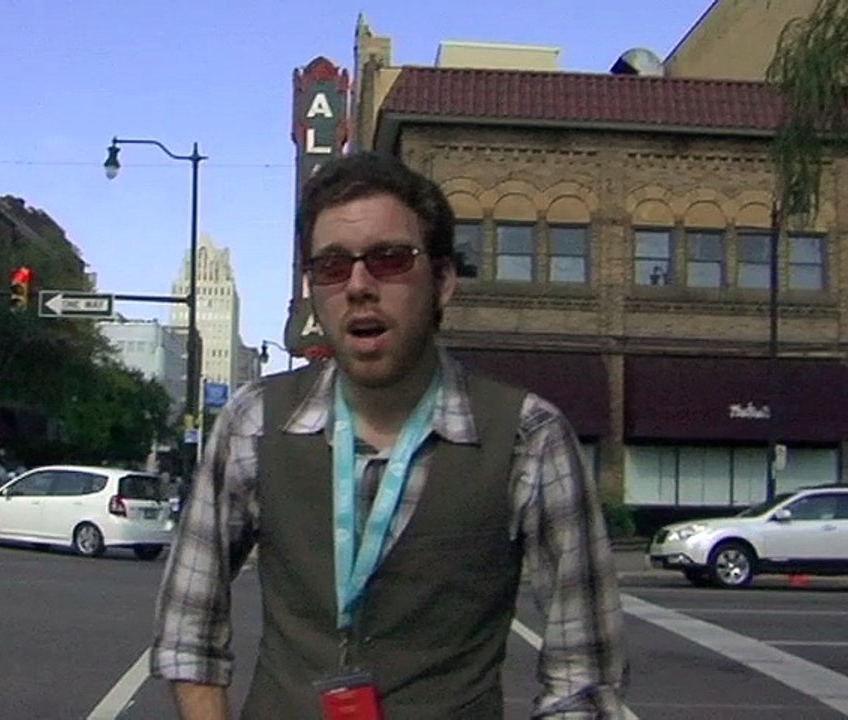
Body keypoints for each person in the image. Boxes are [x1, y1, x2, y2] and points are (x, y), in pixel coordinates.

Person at [151, 152, 627, 719]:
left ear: (443, 281)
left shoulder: (530, 439)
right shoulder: (253, 422)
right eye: (332, 266)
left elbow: (582, 675)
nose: (358, 285)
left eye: (390, 259)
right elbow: (189, 628)